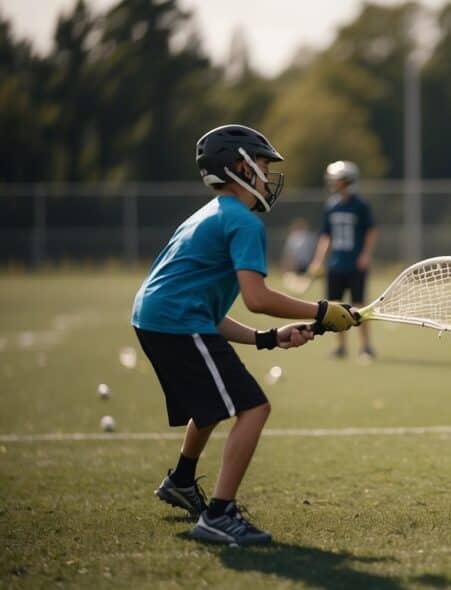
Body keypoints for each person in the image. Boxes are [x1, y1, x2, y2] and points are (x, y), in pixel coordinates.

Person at [132, 124, 357, 545]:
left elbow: (209, 313)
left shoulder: (211, 213)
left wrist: (268, 338)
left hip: (159, 320)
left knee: (213, 406)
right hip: (175, 323)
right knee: (253, 408)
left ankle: (181, 481)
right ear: (240, 167)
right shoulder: (243, 222)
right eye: (264, 166)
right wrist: (324, 311)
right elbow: (257, 297)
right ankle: (219, 515)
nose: (269, 176)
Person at [307, 160, 378, 361]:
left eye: (337, 180)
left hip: (355, 264)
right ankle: (340, 347)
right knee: (335, 308)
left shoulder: (361, 206)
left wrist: (365, 254)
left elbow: (371, 231)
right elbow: (326, 236)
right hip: (336, 265)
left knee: (359, 306)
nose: (333, 183)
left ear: (347, 181)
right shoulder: (331, 206)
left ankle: (365, 346)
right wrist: (318, 260)